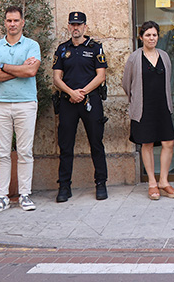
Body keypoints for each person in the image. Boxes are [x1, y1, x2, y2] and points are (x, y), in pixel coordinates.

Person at [0, 6, 41, 214]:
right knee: (1, 152)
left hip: (26, 103)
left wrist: (3, 67)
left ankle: (25, 194)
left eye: (16, 20)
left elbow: (31, 70)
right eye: (9, 20)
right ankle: (3, 197)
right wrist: (18, 69)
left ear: (22, 22)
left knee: (25, 151)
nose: (12, 24)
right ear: (5, 22)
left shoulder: (32, 45)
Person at [52, 11, 109, 203]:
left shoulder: (95, 48)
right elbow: (56, 78)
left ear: (85, 27)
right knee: (65, 145)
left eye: (79, 24)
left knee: (96, 143)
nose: (75, 28)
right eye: (73, 24)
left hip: (90, 100)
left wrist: (82, 93)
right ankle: (64, 186)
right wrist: (71, 93)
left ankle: (101, 183)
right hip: (68, 102)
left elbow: (101, 76)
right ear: (69, 27)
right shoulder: (62, 49)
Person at [121, 21, 174, 200]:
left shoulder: (164, 56)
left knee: (168, 143)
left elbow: (169, 79)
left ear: (158, 37)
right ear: (141, 37)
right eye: (148, 35)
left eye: (154, 35)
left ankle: (164, 181)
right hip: (144, 107)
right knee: (147, 144)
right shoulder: (134, 58)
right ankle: (152, 183)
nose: (151, 38)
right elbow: (126, 83)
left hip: (162, 106)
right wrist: (136, 101)